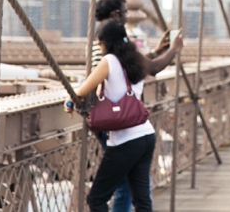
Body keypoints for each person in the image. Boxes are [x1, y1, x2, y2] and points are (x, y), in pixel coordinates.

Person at [65, 20, 182, 212]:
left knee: (96, 199)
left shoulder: (109, 61)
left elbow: (83, 90)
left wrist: (69, 102)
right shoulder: (135, 58)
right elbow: (155, 66)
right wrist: (172, 49)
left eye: (99, 43)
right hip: (146, 136)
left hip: (125, 141)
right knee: (142, 201)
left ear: (104, 42)